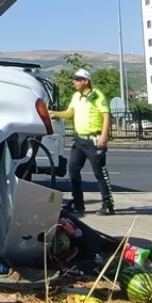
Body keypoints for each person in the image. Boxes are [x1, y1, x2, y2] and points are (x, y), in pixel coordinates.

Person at [49, 69, 115, 215]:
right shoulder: (76, 96)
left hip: (94, 139)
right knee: (73, 168)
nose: (74, 82)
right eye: (74, 79)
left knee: (100, 173)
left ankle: (108, 204)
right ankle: (78, 203)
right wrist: (55, 113)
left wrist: (104, 135)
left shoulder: (96, 95)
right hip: (79, 140)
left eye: (78, 79)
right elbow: (69, 113)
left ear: (86, 81)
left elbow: (106, 115)